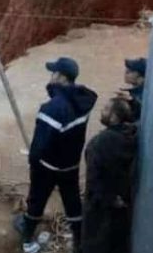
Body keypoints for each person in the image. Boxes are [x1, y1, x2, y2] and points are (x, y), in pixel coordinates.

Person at [14, 57, 98, 253]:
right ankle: (80, 243)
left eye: (53, 73)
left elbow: (39, 146)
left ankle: (27, 241)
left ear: (61, 77)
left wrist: (34, 162)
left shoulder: (52, 108)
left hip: (48, 166)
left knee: (37, 200)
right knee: (72, 202)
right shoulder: (83, 101)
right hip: (71, 164)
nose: (51, 76)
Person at [81, 97, 138, 253]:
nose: (102, 111)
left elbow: (94, 179)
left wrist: (108, 198)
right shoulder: (130, 138)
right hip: (121, 206)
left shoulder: (99, 143)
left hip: (100, 207)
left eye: (106, 109)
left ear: (114, 118)